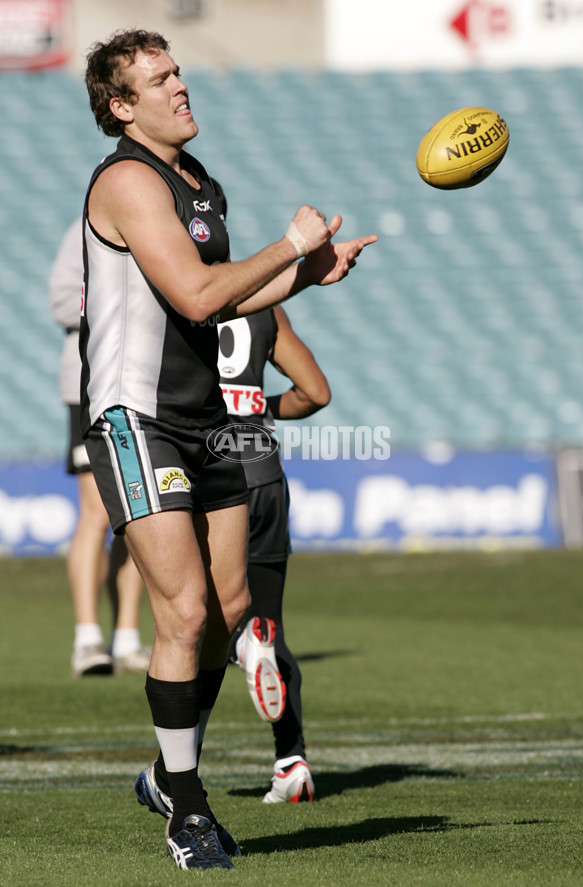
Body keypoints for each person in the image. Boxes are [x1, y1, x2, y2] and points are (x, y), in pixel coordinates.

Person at [81, 28, 377, 871]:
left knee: (225, 607)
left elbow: (223, 305)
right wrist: (289, 245)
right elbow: (196, 289)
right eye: (160, 79)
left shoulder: (197, 182)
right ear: (120, 106)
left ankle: (165, 773)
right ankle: (189, 808)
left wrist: (307, 275)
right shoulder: (130, 181)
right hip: (139, 418)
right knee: (178, 611)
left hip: (206, 416)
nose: (181, 86)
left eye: (178, 71)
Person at [219, 303, 330, 804]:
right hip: (265, 476)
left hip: (212, 476)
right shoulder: (267, 306)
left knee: (195, 621)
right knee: (271, 623)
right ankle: (293, 761)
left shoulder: (179, 294)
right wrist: (259, 409)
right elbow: (315, 393)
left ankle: (176, 773)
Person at [48, 218, 151, 677]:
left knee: (137, 514)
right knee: (95, 512)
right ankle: (87, 639)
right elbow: (62, 301)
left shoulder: (158, 225)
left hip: (141, 385)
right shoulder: (85, 230)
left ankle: (127, 637)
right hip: (90, 385)